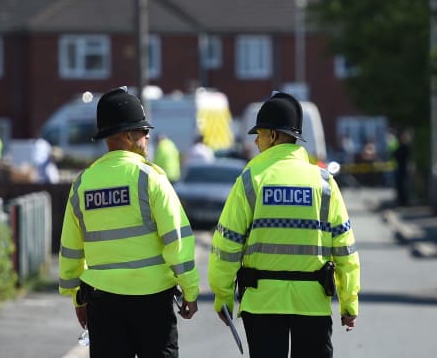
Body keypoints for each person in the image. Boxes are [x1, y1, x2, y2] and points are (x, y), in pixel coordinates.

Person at [208, 91, 360, 358]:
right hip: (312, 304)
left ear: (274, 136)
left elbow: (227, 244)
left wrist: (222, 297)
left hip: (262, 303)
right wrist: (349, 302)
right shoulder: (323, 183)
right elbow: (344, 248)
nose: (255, 140)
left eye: (260, 133)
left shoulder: (250, 180)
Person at [58, 87, 199, 358]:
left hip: (103, 304)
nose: (147, 137)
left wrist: (76, 297)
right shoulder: (150, 178)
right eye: (143, 131)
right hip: (152, 303)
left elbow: (71, 249)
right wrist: (190, 290)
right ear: (128, 135)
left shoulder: (83, 184)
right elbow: (177, 240)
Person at [393, 129, 411, 206]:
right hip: (400, 168)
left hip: (404, 168)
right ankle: (401, 201)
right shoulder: (400, 146)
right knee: (400, 186)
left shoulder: (405, 147)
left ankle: (404, 201)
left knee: (404, 186)